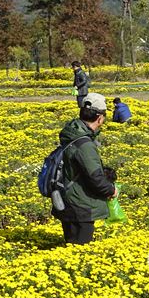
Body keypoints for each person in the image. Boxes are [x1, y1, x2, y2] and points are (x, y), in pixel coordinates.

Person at [51, 93, 117, 244]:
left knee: (71, 246)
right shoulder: (84, 144)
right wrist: (111, 190)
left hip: (66, 199)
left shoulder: (71, 134)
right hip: (80, 206)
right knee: (81, 249)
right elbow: (96, 179)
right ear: (100, 118)